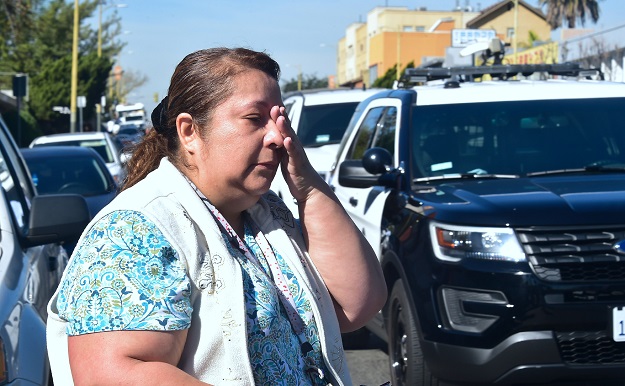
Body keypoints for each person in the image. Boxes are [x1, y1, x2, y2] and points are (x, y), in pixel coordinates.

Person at [46, 47, 387, 385]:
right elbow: (110, 373)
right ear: (189, 131)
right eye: (255, 119)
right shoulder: (134, 227)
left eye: (280, 120)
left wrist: (309, 189)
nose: (278, 136)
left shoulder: (265, 212)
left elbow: (356, 306)